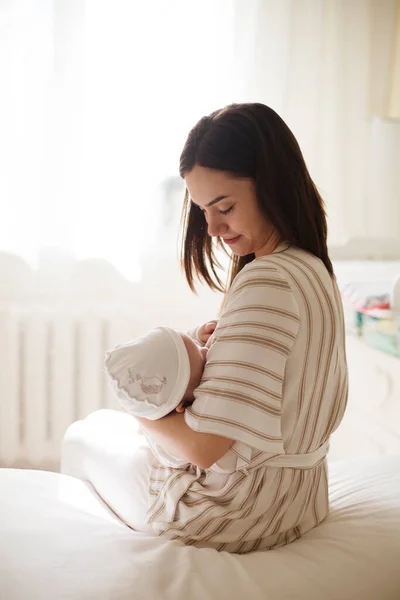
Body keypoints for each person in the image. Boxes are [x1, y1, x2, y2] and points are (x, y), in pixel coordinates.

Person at [61, 102, 348, 553]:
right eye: (202, 210)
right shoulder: (313, 269)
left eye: (224, 206)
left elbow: (204, 448)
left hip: (232, 514)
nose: (212, 227)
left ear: (271, 183)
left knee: (84, 434)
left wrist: (139, 405)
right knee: (108, 433)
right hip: (300, 502)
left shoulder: (267, 280)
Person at [104, 326, 209, 467]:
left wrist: (196, 334)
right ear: (182, 406)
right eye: (203, 362)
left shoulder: (174, 391)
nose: (206, 350)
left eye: (196, 344)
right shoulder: (172, 449)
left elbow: (180, 354)